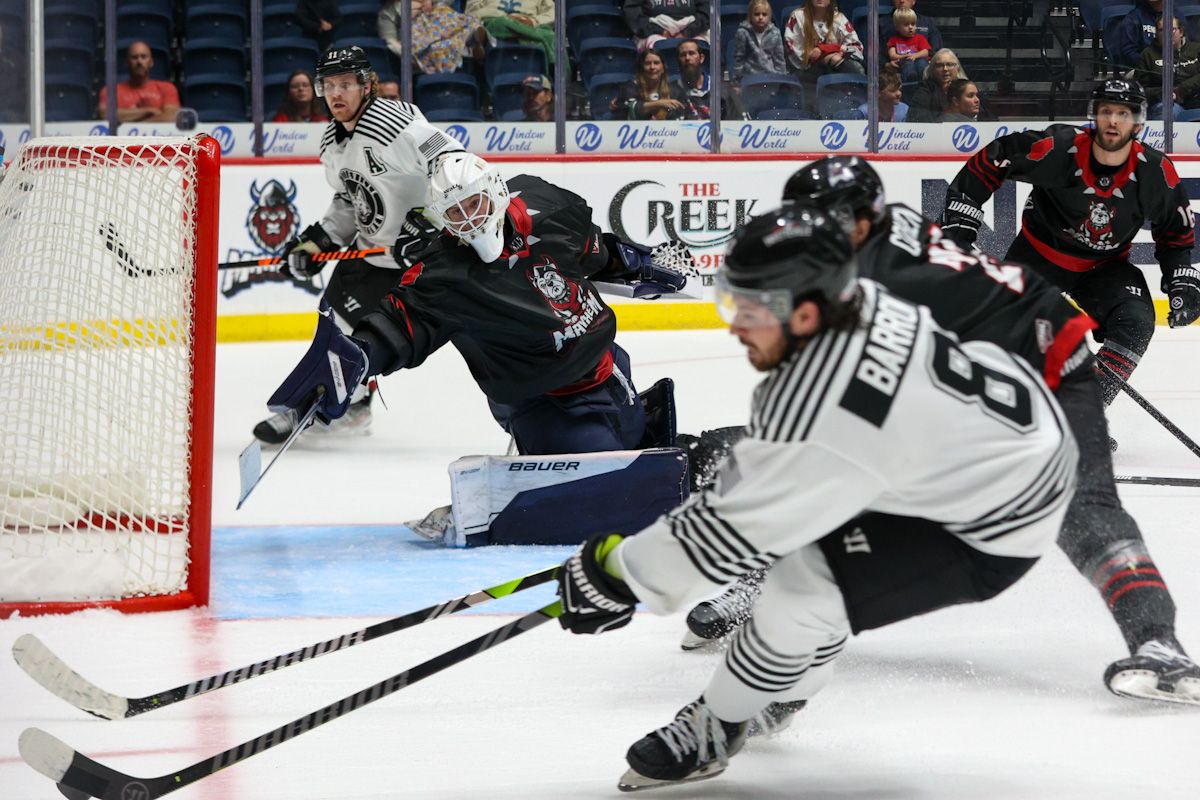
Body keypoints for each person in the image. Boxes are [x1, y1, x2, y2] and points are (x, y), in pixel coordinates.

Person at [554, 204, 1079, 790]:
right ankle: (780, 682)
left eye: (751, 311)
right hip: (977, 451)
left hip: (1000, 517)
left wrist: (617, 573)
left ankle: (718, 725)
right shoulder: (863, 308)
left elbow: (727, 529)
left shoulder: (838, 405)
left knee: (801, 583)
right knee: (807, 562)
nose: (736, 327)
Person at [683, 155, 1198, 706]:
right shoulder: (859, 251)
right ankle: (768, 581)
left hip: (1045, 361)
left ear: (858, 220)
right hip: (987, 362)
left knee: (1082, 504)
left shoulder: (882, 270)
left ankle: (1159, 646)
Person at [266, 152, 695, 544]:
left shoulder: (550, 207)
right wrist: (350, 363)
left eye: (474, 204)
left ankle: (658, 447)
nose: (469, 221)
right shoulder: (444, 273)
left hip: (603, 372)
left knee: (638, 464)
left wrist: (635, 262)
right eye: (454, 213)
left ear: (496, 191)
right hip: (535, 401)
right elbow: (398, 326)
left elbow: (593, 250)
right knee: (615, 490)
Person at [941, 78, 1199, 417]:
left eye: (1123, 113)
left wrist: (1182, 278)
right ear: (1094, 115)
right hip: (1039, 257)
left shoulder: (1155, 171)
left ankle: (1078, 413)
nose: (1113, 121)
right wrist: (962, 217)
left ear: (1137, 122)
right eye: (1106, 111)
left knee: (1136, 322)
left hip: (1105, 267)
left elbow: (1175, 232)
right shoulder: (1059, 147)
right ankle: (999, 411)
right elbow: (996, 157)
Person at [252, 45, 465, 446]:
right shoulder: (333, 140)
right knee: (335, 328)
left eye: (346, 84)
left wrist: (431, 227)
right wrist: (320, 240)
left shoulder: (394, 124)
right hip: (372, 254)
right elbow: (352, 198)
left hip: (425, 264)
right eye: (328, 85)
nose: (336, 94)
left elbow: (456, 165)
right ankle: (348, 405)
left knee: (473, 338)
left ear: (367, 86)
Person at [378, 0, 483, 75]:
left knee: (462, 26)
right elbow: (391, 42)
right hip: (418, 52)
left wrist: (430, 3)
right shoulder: (388, 14)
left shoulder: (437, 3)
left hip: (446, 37)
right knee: (438, 47)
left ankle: (472, 41)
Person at [96, 40, 180, 123]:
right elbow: (104, 114)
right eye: (134, 57)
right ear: (127, 63)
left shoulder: (167, 88)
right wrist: (149, 111)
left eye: (143, 57)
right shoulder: (111, 90)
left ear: (151, 62)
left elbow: (171, 116)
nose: (139, 62)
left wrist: (136, 123)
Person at [1135, 15, 1200, 119]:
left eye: (1172, 29)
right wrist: (1165, 92)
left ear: (1181, 32)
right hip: (1166, 104)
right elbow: (1140, 90)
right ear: (1156, 34)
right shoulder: (1148, 55)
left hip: (1196, 99)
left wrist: (1182, 89)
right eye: (1161, 30)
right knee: (1168, 111)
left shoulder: (1196, 49)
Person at [783, 0, 864, 77]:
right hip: (806, 72)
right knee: (835, 60)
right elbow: (793, 52)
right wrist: (826, 56)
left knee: (846, 64)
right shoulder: (798, 16)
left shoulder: (839, 18)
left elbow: (857, 48)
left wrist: (825, 49)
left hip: (835, 67)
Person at [670, 38, 744, 120]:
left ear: (701, 58)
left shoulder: (723, 89)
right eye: (683, 55)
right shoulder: (672, 91)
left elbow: (737, 122)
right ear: (678, 60)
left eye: (691, 53)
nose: (687, 58)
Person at [467, 0, 555, 67]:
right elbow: (471, 11)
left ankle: (485, 40)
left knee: (552, 37)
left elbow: (552, 14)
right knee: (500, 22)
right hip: (493, 20)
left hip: (527, 23)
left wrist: (533, 21)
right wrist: (499, 16)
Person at [612, 48, 683, 120]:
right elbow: (630, 108)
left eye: (656, 63)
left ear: (663, 68)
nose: (652, 67)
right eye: (647, 63)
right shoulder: (630, 87)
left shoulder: (674, 90)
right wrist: (659, 103)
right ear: (641, 68)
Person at [731, 0, 788, 83]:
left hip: (771, 78)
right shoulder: (742, 32)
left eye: (764, 14)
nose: (760, 17)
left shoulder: (775, 33)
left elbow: (779, 60)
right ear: (750, 15)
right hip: (749, 78)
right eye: (757, 14)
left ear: (769, 16)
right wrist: (736, 82)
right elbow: (739, 59)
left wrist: (782, 81)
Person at [623, 0, 711, 52]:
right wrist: (659, 31)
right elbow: (632, 14)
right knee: (656, 49)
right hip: (653, 31)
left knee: (697, 49)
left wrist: (686, 33)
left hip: (692, 30)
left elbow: (706, 13)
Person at [907, 47, 966, 122]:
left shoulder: (967, 88)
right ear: (932, 70)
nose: (945, 69)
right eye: (939, 65)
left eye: (949, 64)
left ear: (957, 68)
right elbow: (918, 118)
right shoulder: (924, 90)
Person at [886, 6, 931, 84]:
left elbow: (926, 52)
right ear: (897, 27)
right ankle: (910, 79)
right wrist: (905, 56)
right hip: (903, 63)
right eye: (906, 25)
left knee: (922, 63)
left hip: (918, 60)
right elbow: (892, 55)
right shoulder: (894, 40)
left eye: (913, 24)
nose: (910, 27)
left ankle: (925, 81)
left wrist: (915, 56)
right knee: (908, 62)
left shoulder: (920, 38)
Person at [1116, 0, 1164, 72]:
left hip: (1172, 67)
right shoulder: (1133, 18)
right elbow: (1128, 52)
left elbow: (1184, 47)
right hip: (1142, 69)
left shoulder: (1176, 16)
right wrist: (1150, 63)